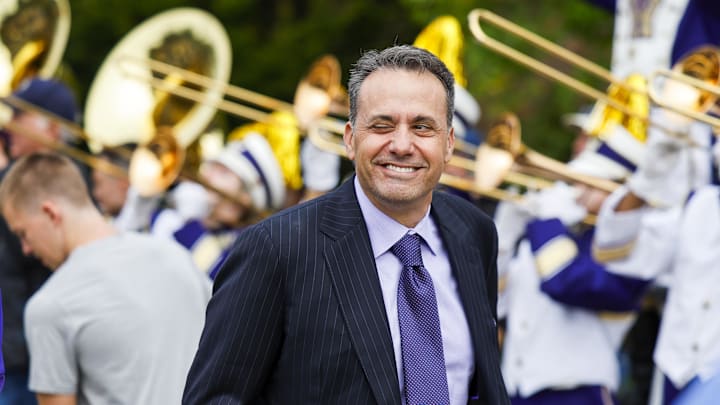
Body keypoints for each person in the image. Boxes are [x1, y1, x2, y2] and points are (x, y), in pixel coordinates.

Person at [182, 44, 509, 405]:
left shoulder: (475, 233)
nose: (402, 144)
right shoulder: (276, 248)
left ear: (448, 144)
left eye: (422, 127)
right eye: (382, 125)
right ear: (351, 139)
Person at [0, 152, 211, 404]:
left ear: (50, 213)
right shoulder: (177, 256)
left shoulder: (49, 305)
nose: (26, 249)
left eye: (23, 233)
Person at [493, 140, 649, 404]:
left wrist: (548, 223)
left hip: (578, 394)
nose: (577, 192)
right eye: (578, 181)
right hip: (517, 391)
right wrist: (502, 240)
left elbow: (565, 283)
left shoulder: (627, 252)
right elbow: (492, 305)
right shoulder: (553, 237)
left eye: (590, 184)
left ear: (623, 193)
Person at [0, 78, 80, 405]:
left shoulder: (61, 181)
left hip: (33, 359)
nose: (10, 125)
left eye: (21, 117)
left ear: (51, 129)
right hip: (23, 354)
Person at [169, 133, 286, 278]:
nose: (207, 175)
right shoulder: (208, 226)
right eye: (213, 167)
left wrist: (194, 226)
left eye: (223, 173)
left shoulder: (247, 250)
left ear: (246, 198)